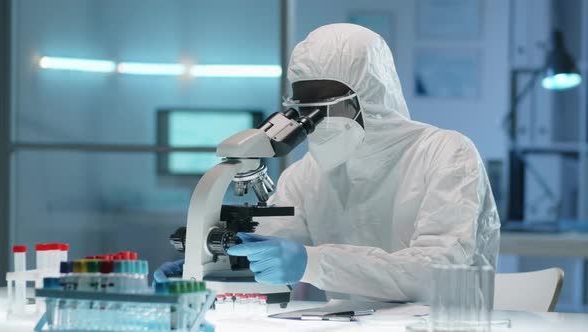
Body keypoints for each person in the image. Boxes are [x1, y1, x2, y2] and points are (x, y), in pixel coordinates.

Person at [155, 23, 500, 302]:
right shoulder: (308, 174)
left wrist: (313, 262)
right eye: (306, 109)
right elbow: (269, 251)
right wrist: (213, 268)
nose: (315, 122)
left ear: (371, 96)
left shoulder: (447, 154)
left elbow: (436, 274)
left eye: (327, 106)